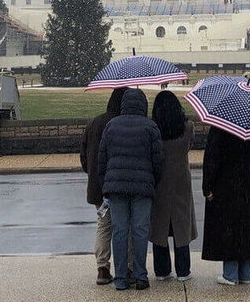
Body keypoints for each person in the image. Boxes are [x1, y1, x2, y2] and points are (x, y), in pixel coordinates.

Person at [99, 89, 164, 291]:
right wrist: (153, 181)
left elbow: (102, 160)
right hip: (143, 186)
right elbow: (158, 161)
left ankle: (120, 278)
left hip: (116, 186)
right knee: (140, 231)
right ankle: (140, 275)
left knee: (119, 231)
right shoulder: (151, 127)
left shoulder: (111, 126)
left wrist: (106, 185)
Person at [202, 127, 250, 286]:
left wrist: (207, 186)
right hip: (247, 180)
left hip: (226, 181)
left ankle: (230, 274)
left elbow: (211, 158)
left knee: (229, 227)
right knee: (246, 226)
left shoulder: (220, 126)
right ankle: (246, 273)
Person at [80, 87, 127, 285]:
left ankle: (102, 267)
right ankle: (127, 268)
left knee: (103, 226)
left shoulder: (94, 123)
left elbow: (83, 156)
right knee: (125, 227)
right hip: (120, 183)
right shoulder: (122, 124)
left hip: (98, 186)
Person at [149, 91, 197, 282]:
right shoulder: (188, 128)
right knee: (181, 227)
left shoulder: (153, 129)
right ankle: (183, 271)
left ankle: (162, 270)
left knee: (159, 227)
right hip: (180, 183)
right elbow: (188, 147)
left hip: (159, 181)